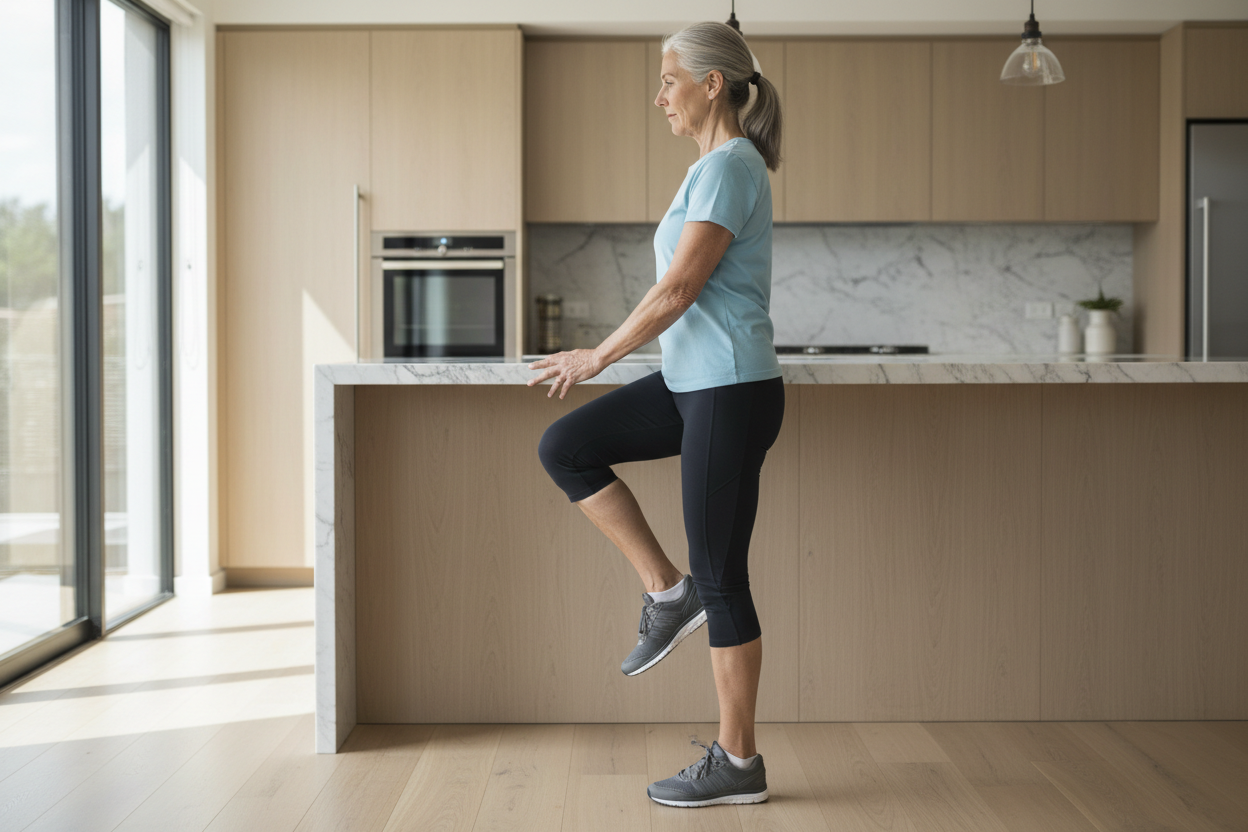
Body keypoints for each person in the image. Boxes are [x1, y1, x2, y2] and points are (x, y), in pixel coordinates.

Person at [528, 20, 784, 808]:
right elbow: (672, 290)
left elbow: (679, 290)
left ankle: (738, 762)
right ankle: (667, 594)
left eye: (669, 80)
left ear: (712, 84)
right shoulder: (707, 167)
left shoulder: (731, 167)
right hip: (692, 384)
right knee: (568, 445)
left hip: (730, 390)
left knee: (724, 575)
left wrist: (597, 356)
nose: (659, 96)